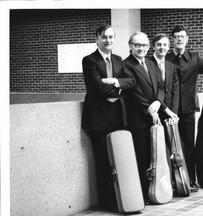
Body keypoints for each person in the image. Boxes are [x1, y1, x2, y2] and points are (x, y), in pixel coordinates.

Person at [81, 24, 133, 211]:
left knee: (117, 160)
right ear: (97, 39)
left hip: (117, 118)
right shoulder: (89, 61)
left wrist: (114, 81)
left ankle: (120, 198)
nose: (108, 40)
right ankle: (107, 202)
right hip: (98, 119)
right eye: (104, 37)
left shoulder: (119, 60)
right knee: (103, 161)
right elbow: (96, 87)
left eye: (111, 37)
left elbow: (131, 82)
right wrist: (120, 88)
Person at [166, 24, 203, 192]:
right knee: (171, 144)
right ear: (172, 40)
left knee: (189, 145)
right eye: (176, 37)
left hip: (189, 109)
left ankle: (190, 179)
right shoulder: (166, 58)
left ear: (187, 39)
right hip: (170, 109)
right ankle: (172, 180)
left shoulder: (194, 57)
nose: (180, 39)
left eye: (182, 36)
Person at [122, 31, 176, 203]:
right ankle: (143, 194)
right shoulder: (126, 65)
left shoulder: (151, 64)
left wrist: (159, 103)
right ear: (130, 46)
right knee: (141, 155)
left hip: (154, 115)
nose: (141, 48)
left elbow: (161, 86)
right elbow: (133, 91)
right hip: (138, 119)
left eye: (144, 45)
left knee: (155, 155)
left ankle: (155, 190)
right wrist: (150, 109)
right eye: (137, 45)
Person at [149, 33, 179, 125]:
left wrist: (173, 112)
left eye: (165, 45)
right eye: (159, 45)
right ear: (153, 47)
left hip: (169, 112)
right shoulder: (147, 64)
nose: (162, 47)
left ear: (169, 47)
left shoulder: (171, 66)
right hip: (154, 112)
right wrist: (166, 110)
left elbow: (175, 91)